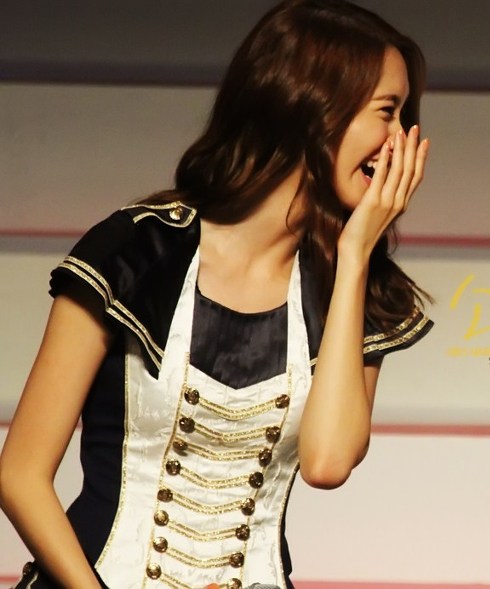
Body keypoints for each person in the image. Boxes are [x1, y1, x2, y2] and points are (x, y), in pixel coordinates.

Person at [0, 1, 432, 587]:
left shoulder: (358, 289)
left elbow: (327, 463)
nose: (402, 140)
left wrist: (355, 255)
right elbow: (21, 474)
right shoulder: (138, 250)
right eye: (387, 111)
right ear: (314, 107)